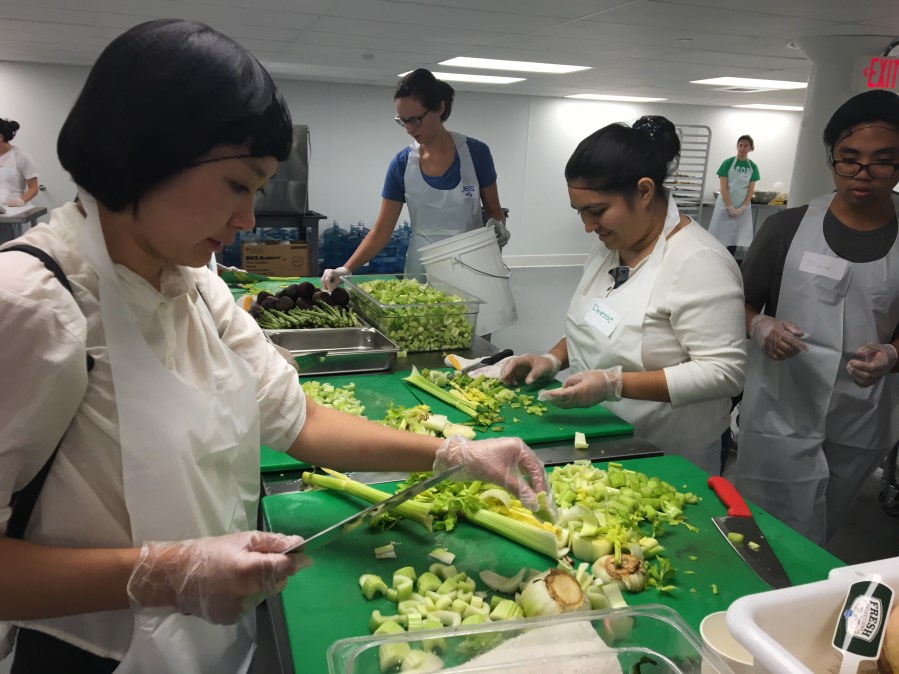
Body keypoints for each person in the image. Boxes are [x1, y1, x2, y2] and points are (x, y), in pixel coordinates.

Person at [0, 20, 553, 674]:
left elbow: (300, 419)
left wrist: (452, 454)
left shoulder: (197, 286)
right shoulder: (32, 305)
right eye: (238, 184)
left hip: (204, 641)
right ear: (145, 153)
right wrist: (160, 573)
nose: (247, 221)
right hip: (83, 654)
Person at [500, 116, 747, 476]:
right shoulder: (611, 246)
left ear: (645, 191)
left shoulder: (698, 261)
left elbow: (724, 372)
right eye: (580, 212)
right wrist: (551, 359)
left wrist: (614, 384)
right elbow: (601, 320)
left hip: (666, 451)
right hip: (603, 436)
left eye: (597, 211)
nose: (588, 225)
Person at [734, 89, 899, 546]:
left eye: (883, 161)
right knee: (761, 529)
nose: (863, 174)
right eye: (849, 158)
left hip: (861, 417)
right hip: (781, 407)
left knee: (822, 529)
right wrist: (759, 325)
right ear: (831, 159)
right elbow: (739, 303)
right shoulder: (786, 229)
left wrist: (890, 355)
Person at [320, 68, 509, 289]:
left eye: (415, 120)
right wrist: (346, 268)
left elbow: (494, 210)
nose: (409, 129)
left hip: (471, 266)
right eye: (402, 121)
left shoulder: (475, 153)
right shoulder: (402, 163)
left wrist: (497, 227)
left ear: (439, 108)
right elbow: (382, 231)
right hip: (422, 269)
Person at [707, 135, 760, 255]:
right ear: (737, 146)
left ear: (750, 148)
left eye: (745, 145)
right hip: (725, 206)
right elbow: (723, 187)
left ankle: (730, 264)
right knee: (719, 236)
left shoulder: (753, 167)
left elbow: (750, 190)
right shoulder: (728, 163)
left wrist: (743, 207)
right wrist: (730, 207)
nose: (742, 148)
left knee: (734, 238)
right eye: (740, 145)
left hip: (742, 208)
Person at [0, 118, 39, 207]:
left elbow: (33, 188)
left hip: (16, 210)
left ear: (1, 137)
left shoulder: (21, 156)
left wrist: (21, 201)